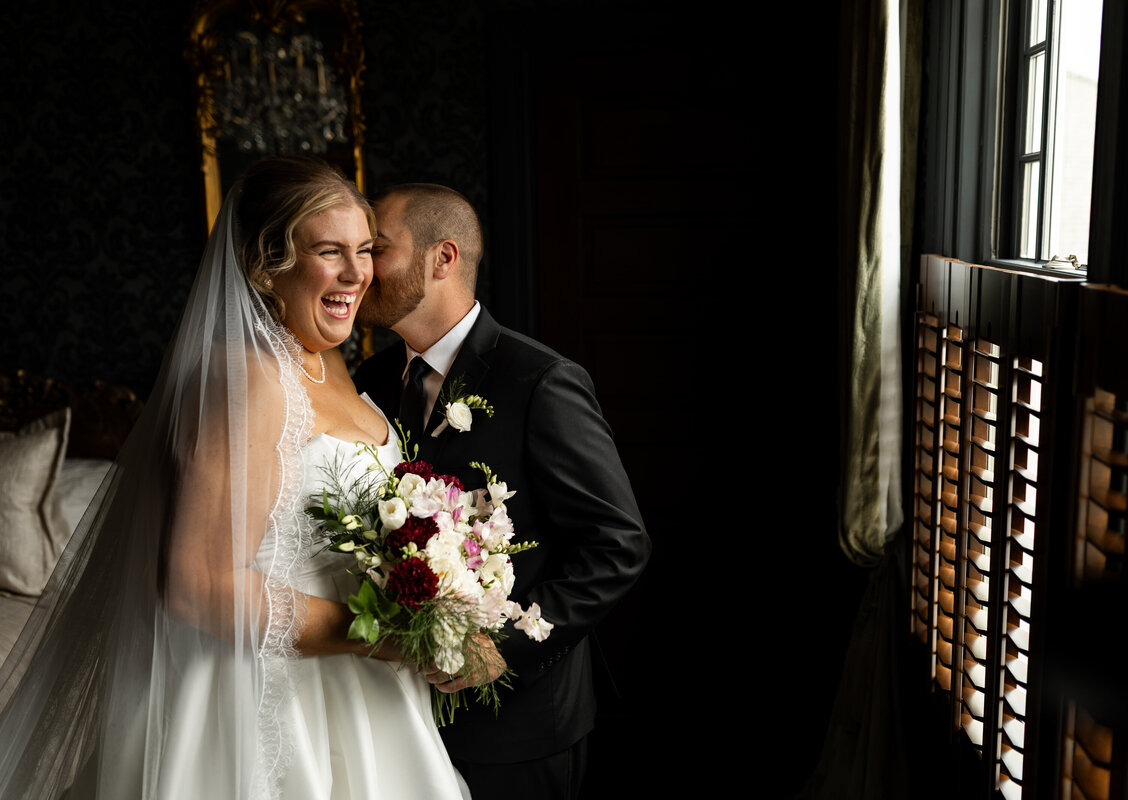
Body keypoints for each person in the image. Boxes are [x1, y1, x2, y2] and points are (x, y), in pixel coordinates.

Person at [0, 157, 467, 799]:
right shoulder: (244, 377)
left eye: (364, 249)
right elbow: (196, 585)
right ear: (266, 267)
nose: (357, 273)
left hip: (365, 699)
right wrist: (381, 634)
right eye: (329, 251)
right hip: (266, 705)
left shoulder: (327, 361)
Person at [354, 183, 651, 800]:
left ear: (443, 257)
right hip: (396, 716)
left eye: (376, 248)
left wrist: (502, 648)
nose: (361, 269)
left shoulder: (540, 380)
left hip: (518, 725)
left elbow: (618, 544)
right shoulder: (371, 380)